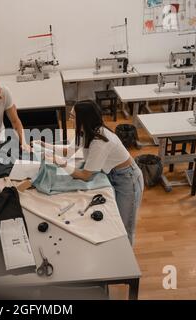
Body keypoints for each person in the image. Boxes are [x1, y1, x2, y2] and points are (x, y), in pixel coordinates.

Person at [37, 100, 144, 244]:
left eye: (73, 117)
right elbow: (69, 151)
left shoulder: (100, 141)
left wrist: (59, 162)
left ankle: (126, 260)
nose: (70, 119)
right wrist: (45, 146)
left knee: (125, 225)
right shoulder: (85, 131)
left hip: (128, 179)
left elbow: (86, 176)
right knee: (114, 218)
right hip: (112, 174)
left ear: (84, 119)